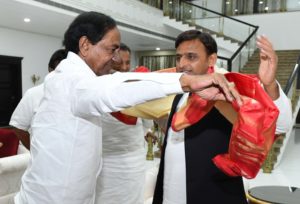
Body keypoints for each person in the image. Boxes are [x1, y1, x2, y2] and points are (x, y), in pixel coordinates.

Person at [14, 12, 240, 204]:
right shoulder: (72, 82)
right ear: (85, 45)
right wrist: (185, 81)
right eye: (110, 50)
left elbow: (116, 82)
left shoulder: (78, 77)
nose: (113, 59)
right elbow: (114, 91)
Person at [150, 30, 292, 203]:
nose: (182, 64)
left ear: (211, 59)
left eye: (191, 57)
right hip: (171, 193)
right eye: (179, 57)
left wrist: (269, 86)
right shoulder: (180, 94)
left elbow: (279, 126)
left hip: (215, 195)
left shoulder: (229, 91)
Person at [95, 43, 153, 204]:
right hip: (105, 162)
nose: (124, 68)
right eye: (118, 63)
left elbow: (147, 124)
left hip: (134, 161)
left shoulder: (136, 88)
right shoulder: (97, 90)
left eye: (127, 63)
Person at [9, 49, 67, 150]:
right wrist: (35, 150)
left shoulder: (81, 93)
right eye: (59, 71)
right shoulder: (34, 93)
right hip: (43, 159)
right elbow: (18, 126)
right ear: (50, 69)